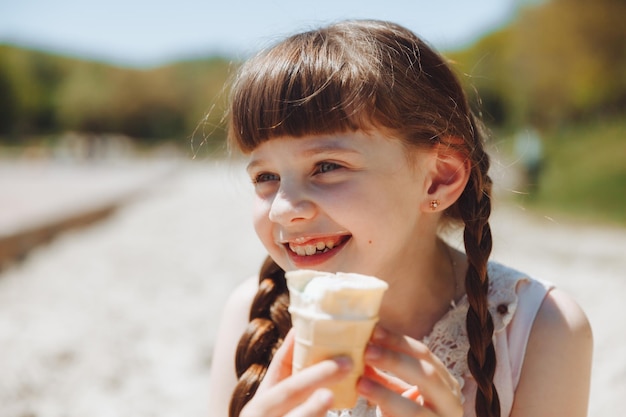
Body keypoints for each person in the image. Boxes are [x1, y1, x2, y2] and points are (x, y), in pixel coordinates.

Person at [208, 20, 592, 417]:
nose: (283, 209)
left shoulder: (540, 328)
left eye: (327, 166)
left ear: (438, 180)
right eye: (265, 177)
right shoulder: (251, 313)